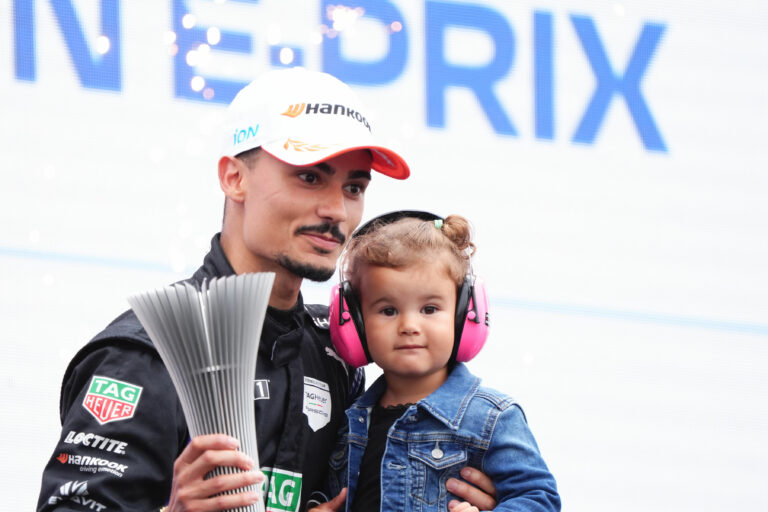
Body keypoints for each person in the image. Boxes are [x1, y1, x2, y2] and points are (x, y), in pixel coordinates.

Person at [37, 68, 498, 512]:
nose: (336, 210)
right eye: (310, 177)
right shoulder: (149, 353)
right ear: (234, 178)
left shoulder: (335, 354)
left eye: (354, 187)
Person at [310, 211, 561, 512]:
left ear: (463, 315)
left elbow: (539, 498)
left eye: (429, 309)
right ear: (356, 323)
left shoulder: (491, 418)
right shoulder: (350, 420)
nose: (409, 326)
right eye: (388, 311)